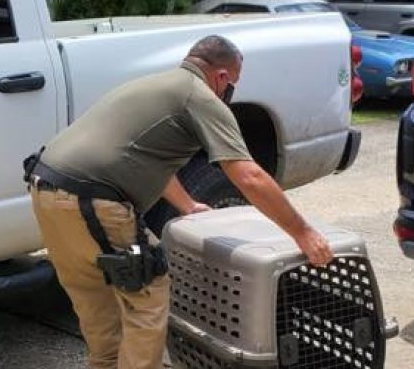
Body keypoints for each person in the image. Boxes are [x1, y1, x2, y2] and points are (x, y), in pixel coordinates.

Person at [28, 35, 333, 369]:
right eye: (233, 83)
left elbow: (146, 159)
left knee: (99, 307)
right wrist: (303, 232)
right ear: (221, 77)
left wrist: (187, 205)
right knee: (148, 294)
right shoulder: (199, 96)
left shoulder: (154, 85)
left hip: (46, 190)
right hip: (93, 200)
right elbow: (248, 176)